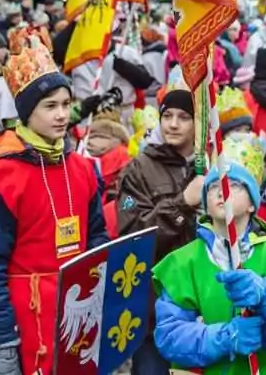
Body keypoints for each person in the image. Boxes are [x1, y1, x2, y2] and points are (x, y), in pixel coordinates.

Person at [0, 41, 109, 375]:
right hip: (23, 324)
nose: (61, 114)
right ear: (27, 111)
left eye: (66, 104)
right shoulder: (0, 176)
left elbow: (97, 236)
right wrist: (1, 343)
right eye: (49, 105)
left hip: (77, 317)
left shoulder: (83, 169)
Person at [153, 138, 266, 375]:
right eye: (214, 186)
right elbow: (169, 337)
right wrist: (225, 337)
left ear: (253, 204)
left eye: (234, 185)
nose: (222, 190)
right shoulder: (181, 264)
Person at [116, 88, 205, 375]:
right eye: (167, 116)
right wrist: (183, 205)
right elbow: (132, 233)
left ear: (199, 123)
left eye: (183, 117)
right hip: (155, 307)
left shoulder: (216, 166)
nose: (174, 124)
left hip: (207, 303)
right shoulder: (138, 170)